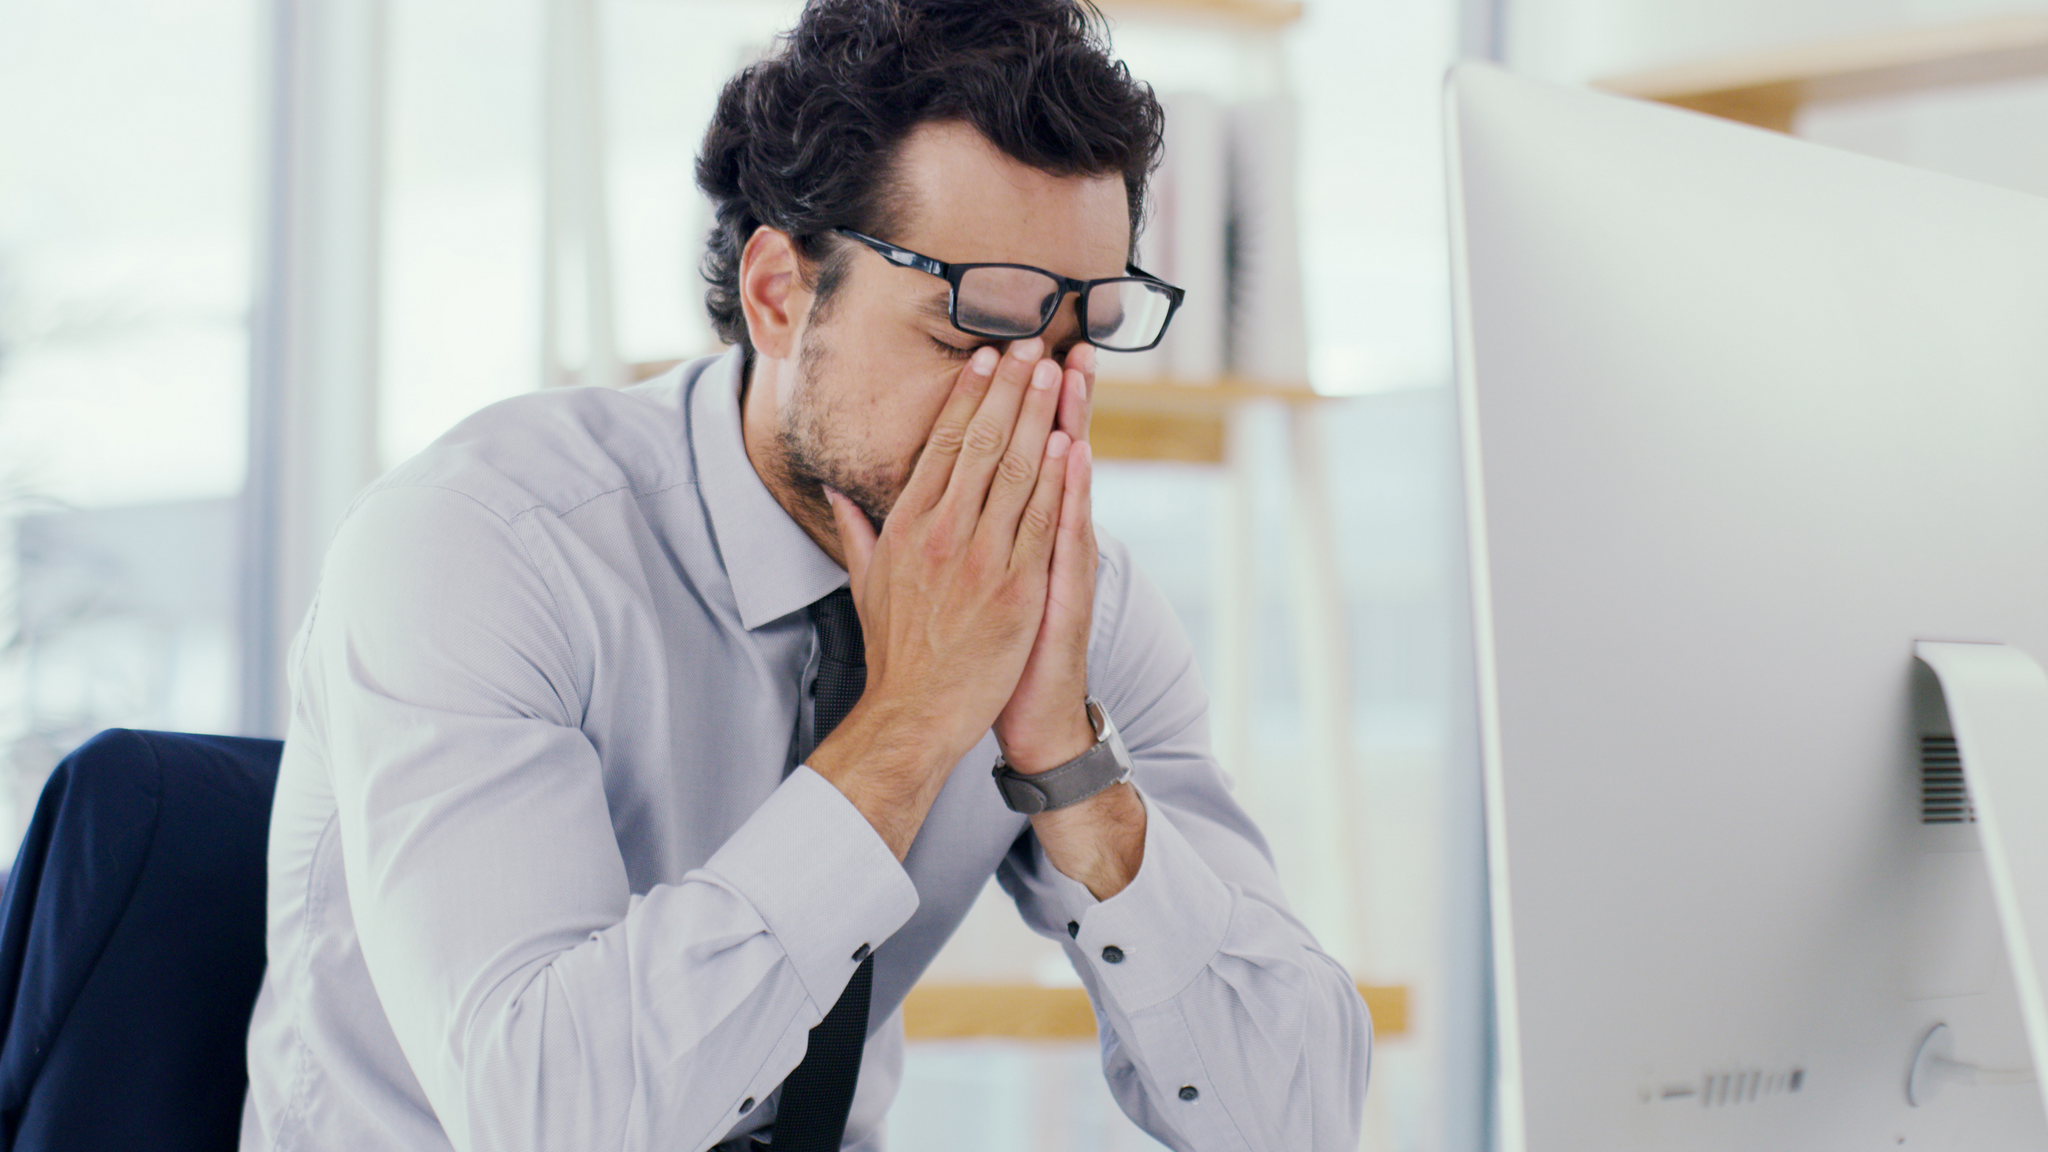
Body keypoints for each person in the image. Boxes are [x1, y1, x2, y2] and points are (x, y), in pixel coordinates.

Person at [238, 1, 1371, 1149]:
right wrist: (911, 720)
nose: (1032, 409)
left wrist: (1069, 765)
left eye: (1079, 340)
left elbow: (1296, 1124)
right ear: (780, 293)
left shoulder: (1078, 611)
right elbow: (549, 1120)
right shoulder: (481, 543)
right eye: (974, 334)